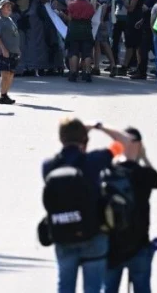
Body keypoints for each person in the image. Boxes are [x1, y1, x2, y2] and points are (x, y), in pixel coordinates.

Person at [41, 118, 133, 293]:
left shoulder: (48, 166)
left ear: (61, 139)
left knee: (65, 286)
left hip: (62, 234)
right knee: (93, 288)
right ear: (84, 140)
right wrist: (98, 127)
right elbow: (125, 142)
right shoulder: (95, 160)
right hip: (94, 234)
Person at [104, 127, 157, 293]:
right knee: (142, 288)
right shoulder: (143, 174)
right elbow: (156, 179)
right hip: (139, 244)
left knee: (109, 288)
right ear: (140, 145)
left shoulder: (110, 173)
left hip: (113, 244)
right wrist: (143, 157)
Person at [0, 0, 21, 105]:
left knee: (11, 74)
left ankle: (6, 94)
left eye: (10, 6)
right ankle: (2, 96)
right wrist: (3, 49)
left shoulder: (10, 19)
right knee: (5, 74)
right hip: (4, 52)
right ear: (1, 8)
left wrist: (18, 50)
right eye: (6, 6)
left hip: (13, 51)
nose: (9, 8)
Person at [66, 0, 96, 83]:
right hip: (86, 30)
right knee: (87, 53)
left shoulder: (71, 4)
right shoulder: (90, 6)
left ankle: (73, 73)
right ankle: (87, 73)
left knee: (74, 52)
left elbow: (70, 18)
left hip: (74, 29)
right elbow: (91, 16)